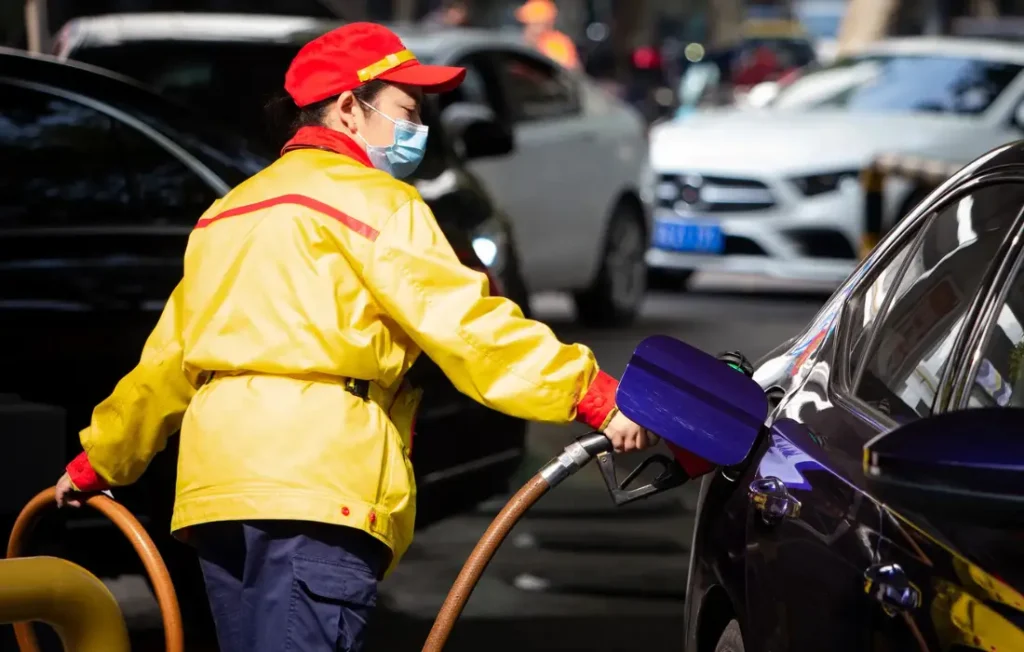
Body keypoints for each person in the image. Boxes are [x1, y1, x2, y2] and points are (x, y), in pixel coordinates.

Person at [53, 21, 654, 652]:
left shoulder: (228, 213)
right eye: (406, 111)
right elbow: (467, 326)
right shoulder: (379, 205)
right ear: (348, 108)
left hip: (216, 495)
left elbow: (166, 364)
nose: (417, 128)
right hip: (315, 486)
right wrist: (593, 395)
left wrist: (99, 460)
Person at [516, 0, 580, 70]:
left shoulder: (558, 47)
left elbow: (567, 70)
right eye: (527, 24)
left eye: (535, 24)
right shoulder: (519, 44)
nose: (529, 30)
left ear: (547, 24)